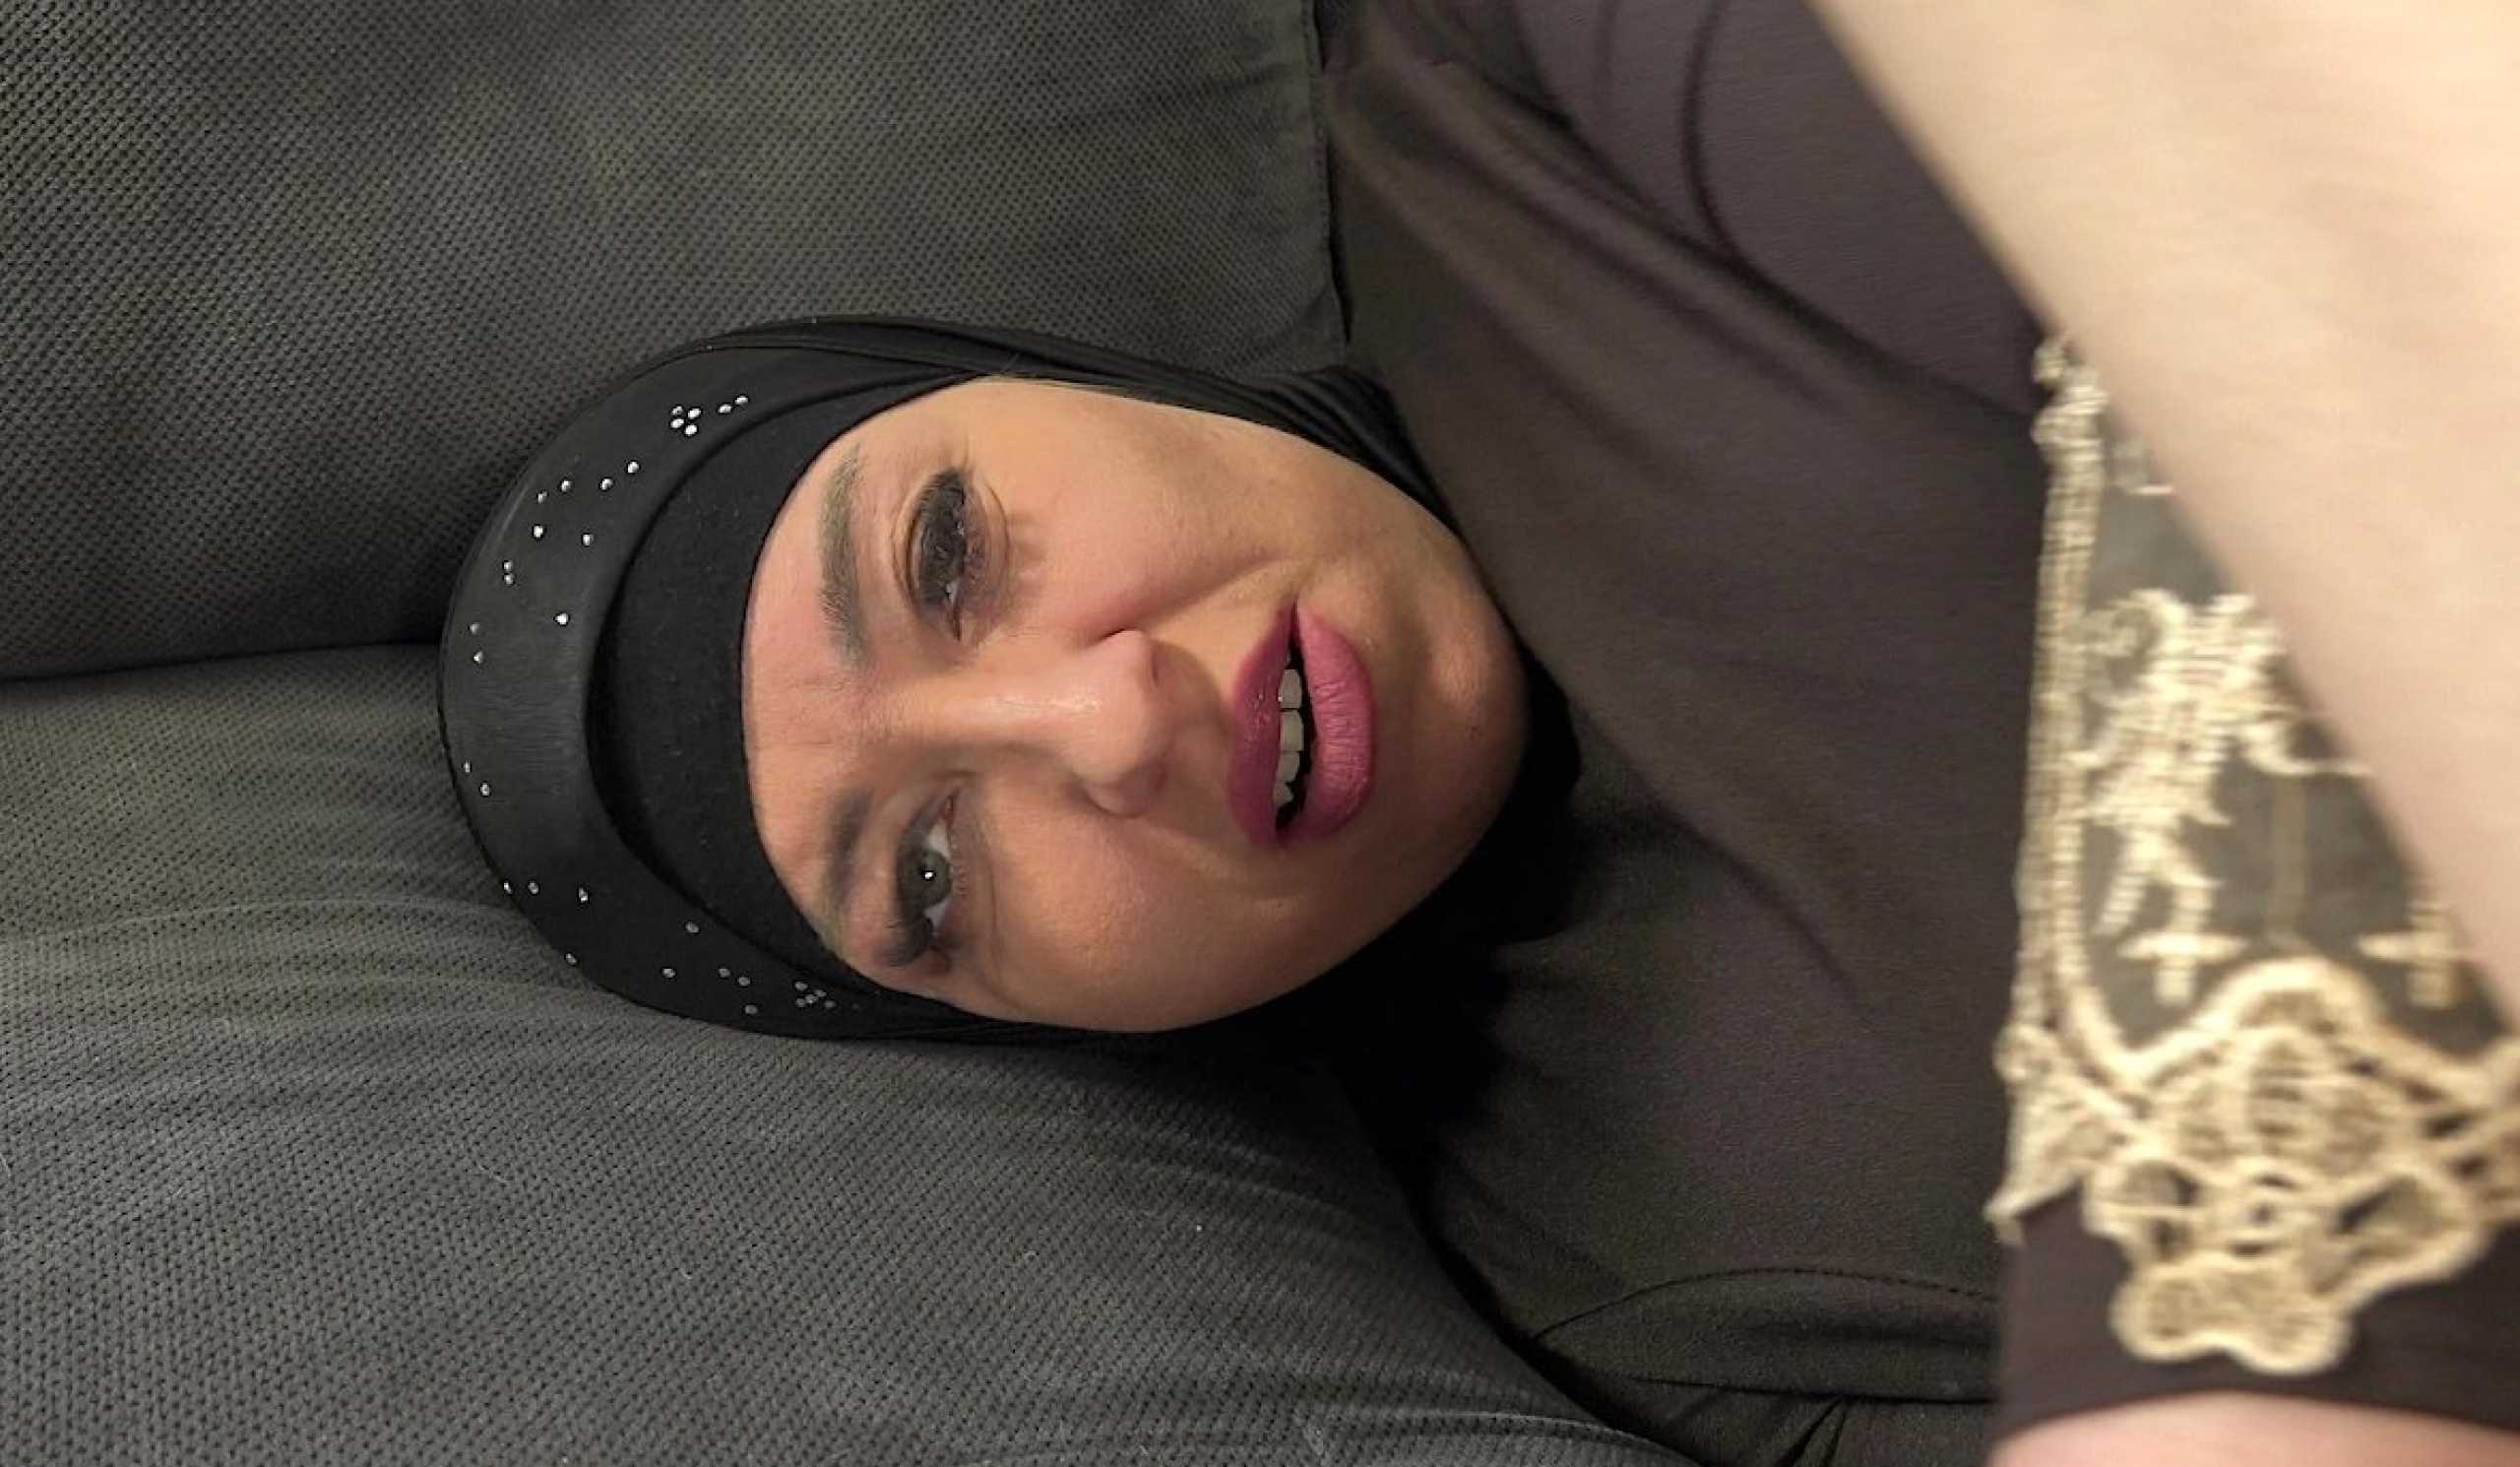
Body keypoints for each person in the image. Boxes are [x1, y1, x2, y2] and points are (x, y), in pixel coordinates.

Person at [437, 1, 2520, 1462]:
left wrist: (2242, 1293)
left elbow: (2282, 174)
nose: (1104, 719)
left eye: (950, 549)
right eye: (928, 865)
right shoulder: (1661, 1295)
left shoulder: (1499, 105)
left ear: (1059, 374)